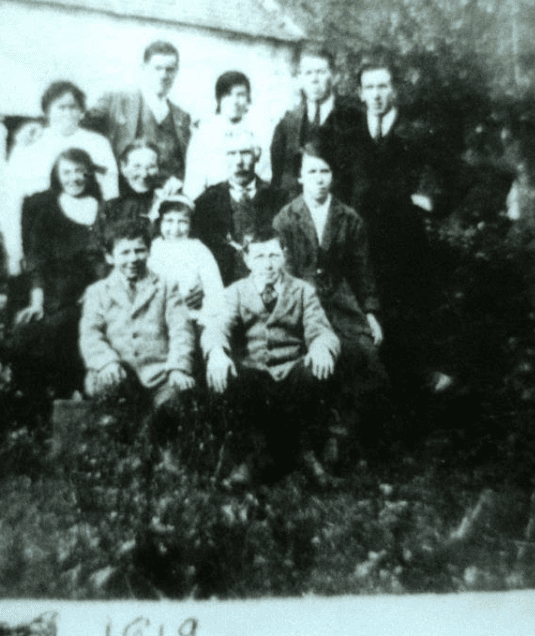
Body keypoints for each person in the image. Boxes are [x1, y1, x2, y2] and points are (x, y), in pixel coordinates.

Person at [343, 58, 453, 398]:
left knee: (406, 318)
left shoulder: (415, 135)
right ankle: (379, 395)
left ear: (394, 90)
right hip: (364, 245)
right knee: (368, 316)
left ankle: (411, 395)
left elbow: (449, 176)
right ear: (360, 93)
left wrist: (426, 200)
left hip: (406, 246)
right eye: (369, 88)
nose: (376, 95)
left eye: (383, 86)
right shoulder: (352, 137)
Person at [201, 228, 342, 487]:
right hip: (254, 372)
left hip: (292, 370)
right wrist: (217, 353)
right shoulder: (236, 291)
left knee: (315, 371)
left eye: (273, 256)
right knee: (232, 376)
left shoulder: (302, 290)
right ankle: (252, 457)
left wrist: (322, 347)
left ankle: (306, 454)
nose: (267, 264)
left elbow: (321, 329)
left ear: (284, 256)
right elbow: (217, 327)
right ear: (246, 259)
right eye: (259, 257)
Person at [273, 145, 389, 437]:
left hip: (341, 301)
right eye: (312, 171)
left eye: (325, 171)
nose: (319, 178)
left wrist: (371, 313)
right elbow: (283, 273)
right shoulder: (285, 218)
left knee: (363, 354)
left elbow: (363, 271)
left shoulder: (349, 218)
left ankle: (351, 435)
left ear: (333, 176)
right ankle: (315, 433)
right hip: (301, 303)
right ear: (300, 177)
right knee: (307, 359)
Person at [79, 216, 196, 457]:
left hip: (159, 375)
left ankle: (165, 454)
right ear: (109, 256)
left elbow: (181, 330)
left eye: (139, 251)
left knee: (173, 407)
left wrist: (178, 367)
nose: (133, 259)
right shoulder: (98, 292)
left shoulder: (165, 287)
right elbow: (90, 334)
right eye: (124, 253)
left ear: (148, 251)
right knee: (112, 404)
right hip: (117, 374)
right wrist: (106, 361)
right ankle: (119, 452)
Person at [7, 148, 107, 402]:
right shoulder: (47, 210)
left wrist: (97, 289)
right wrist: (37, 301)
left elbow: (105, 256)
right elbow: (37, 261)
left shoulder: (103, 209)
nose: (73, 178)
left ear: (89, 174)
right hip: (54, 291)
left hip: (94, 290)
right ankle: (43, 402)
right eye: (66, 172)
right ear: (57, 175)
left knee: (72, 325)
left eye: (79, 171)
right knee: (32, 330)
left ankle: (76, 393)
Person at [0, 82, 118, 277]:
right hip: (37, 233)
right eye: (60, 107)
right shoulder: (29, 144)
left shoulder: (97, 143)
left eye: (73, 107)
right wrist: (14, 252)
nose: (67, 113)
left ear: (82, 110)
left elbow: (111, 194)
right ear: (47, 111)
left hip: (85, 234)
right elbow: (12, 200)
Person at [83, 41, 191, 187]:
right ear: (144, 68)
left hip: (163, 198)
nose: (163, 75)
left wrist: (178, 180)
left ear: (176, 71)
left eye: (169, 69)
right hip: (120, 194)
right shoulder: (115, 102)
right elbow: (81, 137)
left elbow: (186, 164)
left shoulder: (181, 117)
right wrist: (103, 177)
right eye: (157, 68)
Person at [192, 129, 287, 284]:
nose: (238, 161)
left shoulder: (279, 199)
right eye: (231, 154)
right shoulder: (205, 203)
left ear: (257, 155)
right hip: (222, 284)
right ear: (223, 158)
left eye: (245, 153)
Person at [270, 45, 360, 199]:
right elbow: (279, 179)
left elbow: (359, 180)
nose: (314, 79)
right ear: (300, 78)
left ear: (334, 76)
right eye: (308, 73)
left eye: (320, 72)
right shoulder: (287, 124)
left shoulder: (355, 119)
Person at [183, 71, 268, 199]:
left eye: (240, 95)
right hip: (213, 203)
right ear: (219, 99)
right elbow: (194, 183)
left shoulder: (259, 131)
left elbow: (266, 175)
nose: (235, 101)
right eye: (228, 95)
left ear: (248, 98)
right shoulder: (204, 134)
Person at [148, 195, 224, 325]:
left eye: (182, 222)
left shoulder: (198, 249)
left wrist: (206, 320)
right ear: (160, 223)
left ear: (191, 224)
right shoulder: (153, 248)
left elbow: (215, 290)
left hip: (193, 317)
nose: (175, 229)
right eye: (169, 221)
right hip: (157, 318)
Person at [103, 139, 181, 227]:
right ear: (123, 167)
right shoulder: (111, 203)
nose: (144, 174)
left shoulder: (168, 196)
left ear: (159, 168)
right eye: (137, 166)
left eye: (151, 167)